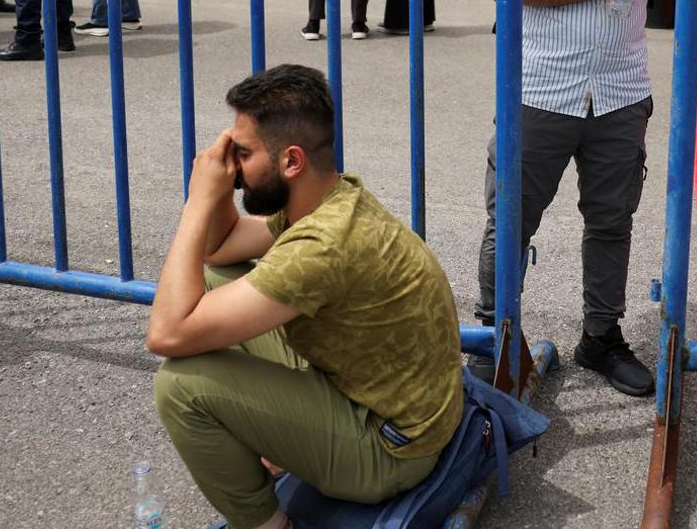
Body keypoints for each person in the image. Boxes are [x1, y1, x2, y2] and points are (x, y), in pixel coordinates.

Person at [149, 64, 462, 529]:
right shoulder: (329, 197)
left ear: (291, 161)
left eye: (244, 153)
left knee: (180, 387)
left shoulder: (322, 246)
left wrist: (197, 201)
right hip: (371, 395)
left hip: (390, 450)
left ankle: (270, 525)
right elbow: (221, 246)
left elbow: (167, 333)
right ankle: (285, 436)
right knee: (220, 277)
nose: (234, 167)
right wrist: (222, 189)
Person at [477, 0, 677, 398]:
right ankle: (492, 337)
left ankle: (601, 337)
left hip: (620, 90)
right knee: (511, 218)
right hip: (540, 88)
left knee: (612, 220)